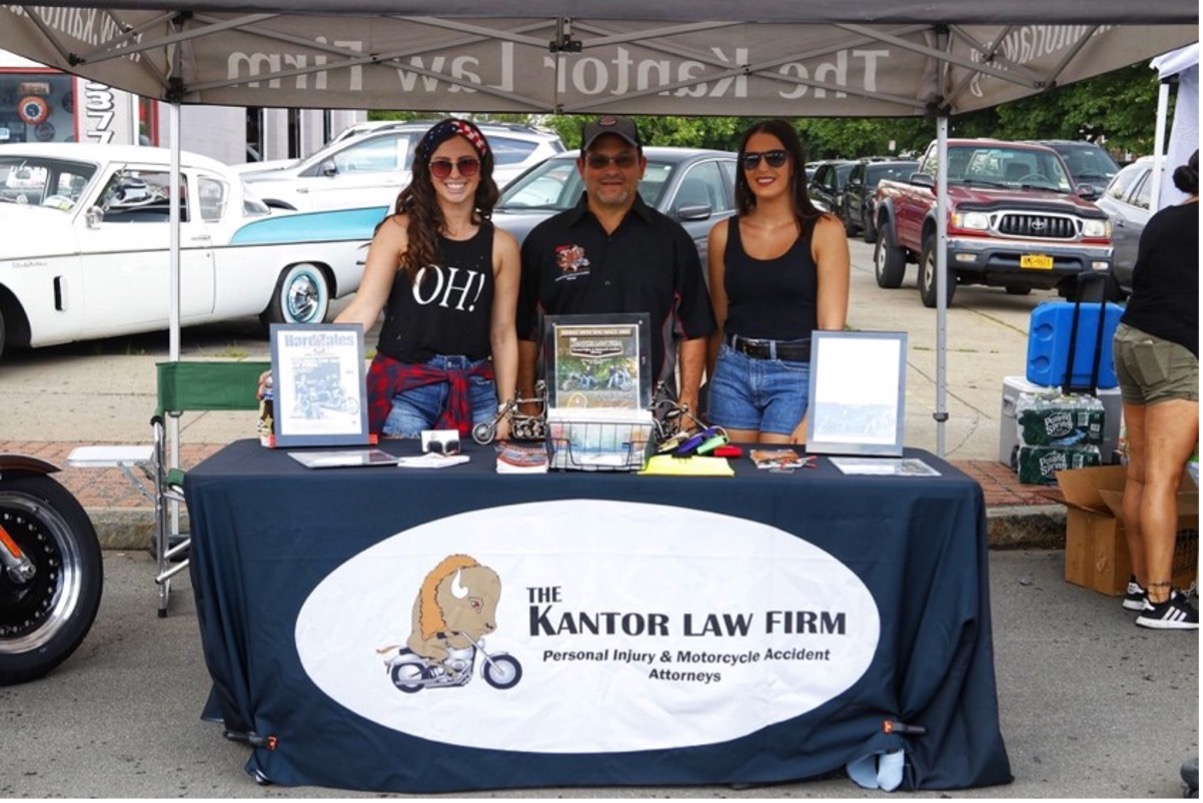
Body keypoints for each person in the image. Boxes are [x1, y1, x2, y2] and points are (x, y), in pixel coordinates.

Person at [263, 117, 521, 440]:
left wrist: (506, 407)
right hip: (407, 387)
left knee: (477, 485)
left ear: (481, 170)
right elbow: (363, 309)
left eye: (466, 164)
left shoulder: (502, 246)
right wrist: (296, 366)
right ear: (427, 172)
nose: (455, 175)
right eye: (442, 166)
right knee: (399, 484)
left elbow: (502, 334)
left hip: (475, 388)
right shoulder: (398, 231)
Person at [515, 115, 716, 419]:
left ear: (641, 167)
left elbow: (693, 330)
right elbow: (525, 331)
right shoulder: (544, 240)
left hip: (653, 418)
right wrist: (528, 401)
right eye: (599, 161)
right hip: (559, 416)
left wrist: (688, 406)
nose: (612, 171)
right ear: (582, 168)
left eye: (623, 160)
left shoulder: (672, 240)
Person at [704, 119, 850, 444]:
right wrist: (710, 386)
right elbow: (718, 322)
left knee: (780, 475)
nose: (763, 167)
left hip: (797, 374)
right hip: (732, 372)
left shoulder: (825, 230)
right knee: (732, 479)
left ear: (794, 162)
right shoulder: (722, 234)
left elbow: (832, 331)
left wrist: (818, 410)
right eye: (751, 160)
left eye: (775, 157)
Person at [1111, 148, 1198, 629]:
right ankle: (1161, 600)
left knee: (1142, 473)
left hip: (1131, 340)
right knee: (1164, 477)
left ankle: (1141, 582)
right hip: (1175, 350)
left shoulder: (1164, 219)